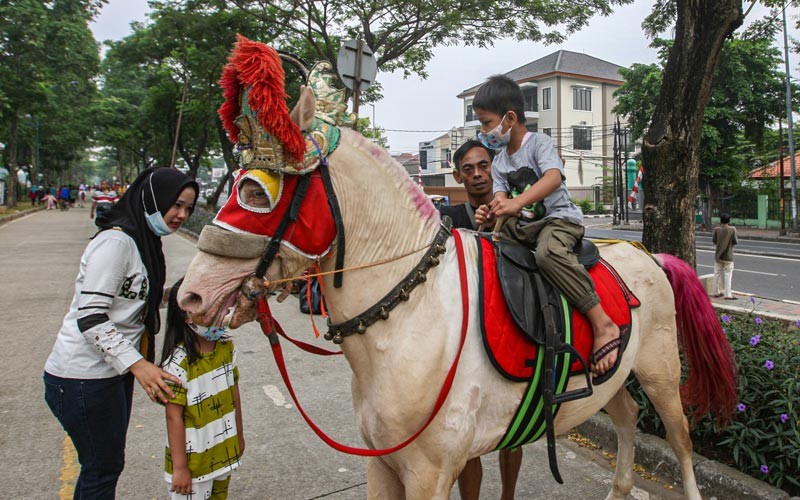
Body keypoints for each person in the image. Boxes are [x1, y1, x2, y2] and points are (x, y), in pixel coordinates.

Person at [43, 167, 199, 499]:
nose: (181, 215)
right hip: (82, 379)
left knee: (102, 467)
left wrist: (189, 293)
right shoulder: (116, 243)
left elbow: (135, 299)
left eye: (188, 208)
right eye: (176, 205)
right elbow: (92, 317)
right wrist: (140, 366)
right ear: (154, 198)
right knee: (102, 469)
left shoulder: (144, 242)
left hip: (109, 375)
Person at [473, 75, 621, 381]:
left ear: (509, 118)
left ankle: (601, 321)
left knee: (548, 254)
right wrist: (494, 210)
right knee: (487, 243)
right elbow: (501, 195)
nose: (484, 132)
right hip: (528, 226)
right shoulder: (499, 161)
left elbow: (553, 178)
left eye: (487, 123)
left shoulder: (540, 143)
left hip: (558, 220)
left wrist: (516, 204)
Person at [442, 139, 523, 500]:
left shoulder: (516, 205)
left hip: (510, 328)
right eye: (469, 169)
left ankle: (508, 495)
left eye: (484, 166)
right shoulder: (450, 221)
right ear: (459, 177)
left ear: (495, 167)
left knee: (512, 428)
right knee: (468, 437)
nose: (478, 175)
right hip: (466, 337)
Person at [160, 278, 244, 500]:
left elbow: (234, 396)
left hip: (223, 454)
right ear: (186, 315)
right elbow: (173, 417)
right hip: (192, 466)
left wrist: (238, 437)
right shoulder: (178, 363)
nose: (220, 314)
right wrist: (180, 468)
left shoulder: (227, 348)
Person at [712, 213, 738, 300]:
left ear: (720, 220)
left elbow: (714, 241)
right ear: (729, 221)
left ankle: (716, 292)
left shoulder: (716, 229)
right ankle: (727, 294)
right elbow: (735, 241)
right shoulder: (732, 229)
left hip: (718, 256)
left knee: (716, 274)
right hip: (728, 256)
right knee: (728, 275)